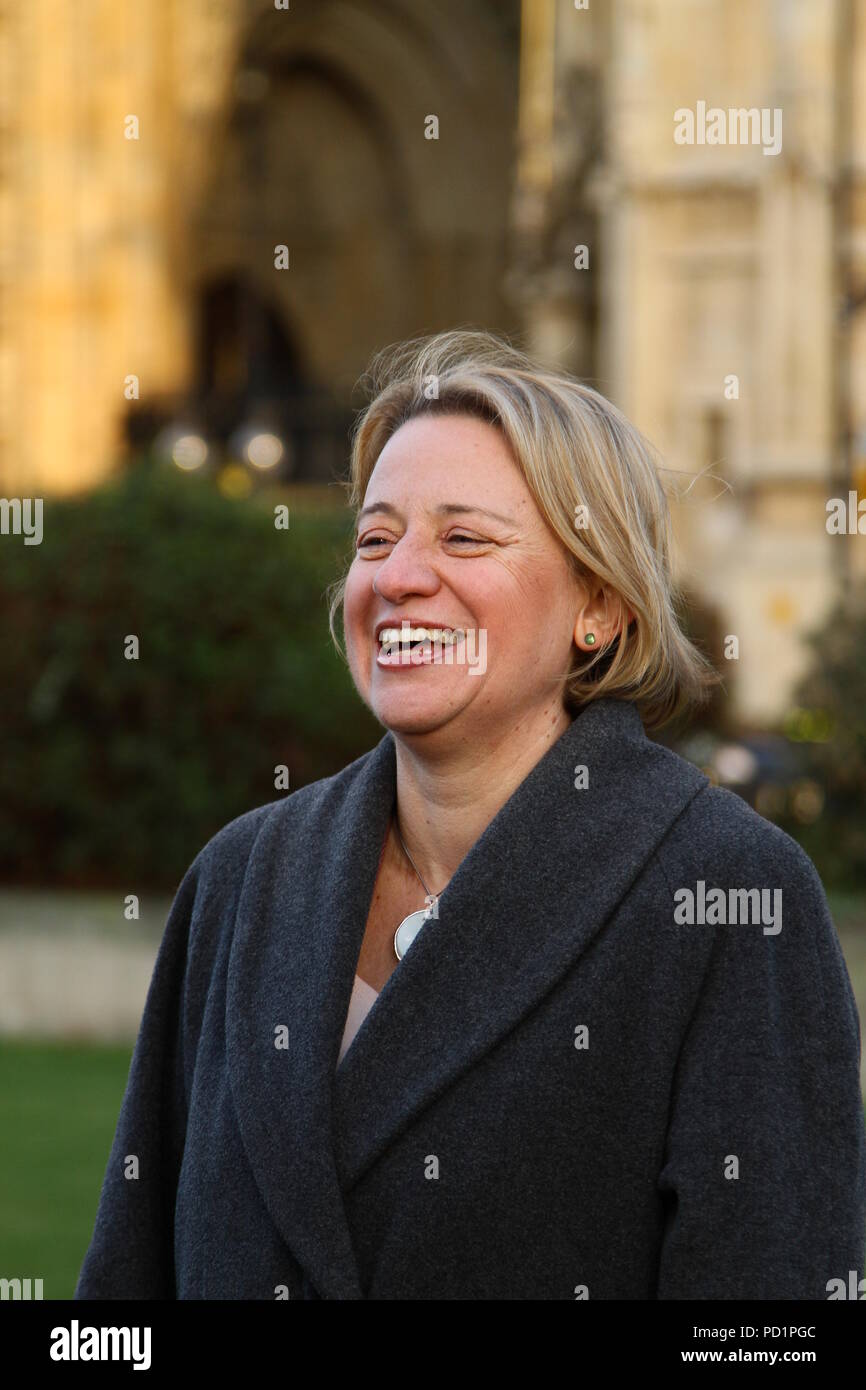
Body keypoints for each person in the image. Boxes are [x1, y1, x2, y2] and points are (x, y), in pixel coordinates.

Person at [76, 329, 866, 1300]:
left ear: (601, 604)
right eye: (374, 537)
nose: (398, 575)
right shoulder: (241, 879)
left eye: (463, 537)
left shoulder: (726, 895)